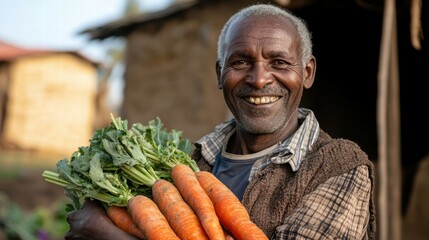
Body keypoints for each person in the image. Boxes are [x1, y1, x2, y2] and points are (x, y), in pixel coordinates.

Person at [65, 3, 376, 239]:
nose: (258, 79)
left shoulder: (339, 167)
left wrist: (107, 233)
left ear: (306, 73)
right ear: (219, 74)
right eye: (240, 62)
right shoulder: (188, 163)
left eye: (279, 62)